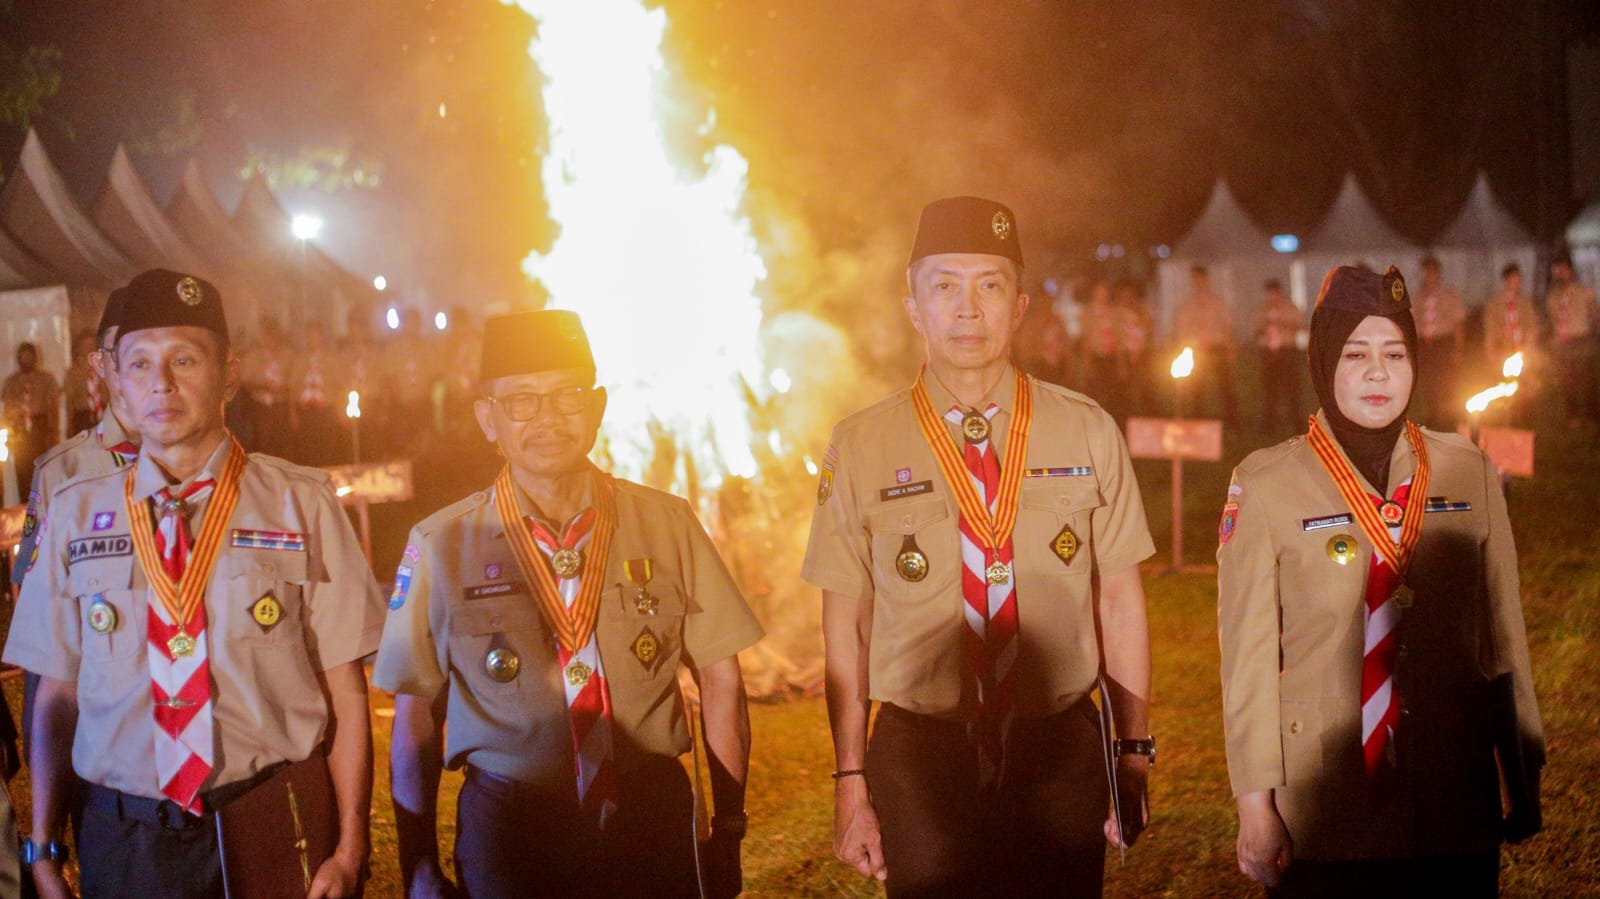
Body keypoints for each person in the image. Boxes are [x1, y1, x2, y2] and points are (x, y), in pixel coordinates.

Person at [804, 197, 1155, 897]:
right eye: (945, 286)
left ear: (1019, 305)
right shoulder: (862, 444)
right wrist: (851, 779)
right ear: (913, 307)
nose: (968, 309)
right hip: (920, 752)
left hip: (1057, 745)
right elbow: (846, 624)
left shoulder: (1086, 430)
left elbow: (1119, 600)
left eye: (989, 285)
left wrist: (1133, 753)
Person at [4, 268, 384, 898]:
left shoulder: (300, 503)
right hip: (126, 840)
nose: (162, 383)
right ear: (115, 381)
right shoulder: (74, 512)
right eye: (140, 363)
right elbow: (55, 698)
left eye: (184, 359)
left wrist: (349, 848)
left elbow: (344, 691)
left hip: (270, 818)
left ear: (228, 375)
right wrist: (43, 845)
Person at [374, 309, 763, 898]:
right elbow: (415, 715)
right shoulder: (441, 544)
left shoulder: (667, 523)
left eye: (568, 396)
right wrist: (418, 862)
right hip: (513, 828)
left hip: (651, 815)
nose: (548, 418)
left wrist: (729, 827)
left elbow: (722, 680)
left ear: (599, 407)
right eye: (521, 401)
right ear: (487, 419)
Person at [1217, 265, 1543, 896]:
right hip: (1326, 805)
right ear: (1322, 360)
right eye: (1355, 353)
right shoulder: (1266, 484)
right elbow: (1247, 661)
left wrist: (1522, 771)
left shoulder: (1468, 469)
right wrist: (1256, 806)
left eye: (1394, 354)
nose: (1377, 373)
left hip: (1453, 797)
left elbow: (1504, 638)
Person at [1174, 265, 1240, 427]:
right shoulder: (1187, 305)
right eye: (1195, 280)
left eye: (1201, 279)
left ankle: (1232, 421)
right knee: (1197, 388)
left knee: (1224, 386)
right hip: (1197, 351)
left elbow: (1227, 326)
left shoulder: (1217, 302)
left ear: (1206, 280)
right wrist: (1182, 350)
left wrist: (1230, 347)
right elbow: (1182, 329)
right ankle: (1199, 421)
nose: (1199, 283)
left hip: (1216, 348)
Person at [1481, 264, 1541, 426]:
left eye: (1519, 280)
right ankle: (1504, 420)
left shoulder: (1525, 303)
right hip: (1503, 349)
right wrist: (1491, 351)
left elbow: (1532, 326)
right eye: (1513, 280)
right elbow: (1490, 329)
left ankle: (1525, 420)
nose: (1517, 283)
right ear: (1506, 281)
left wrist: (1528, 346)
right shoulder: (1494, 304)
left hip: (1522, 349)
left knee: (1525, 386)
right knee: (1504, 385)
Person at [1544, 253, 1597, 428]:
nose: (1560, 274)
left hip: (1581, 340)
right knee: (1567, 381)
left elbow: (1595, 315)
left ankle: (1591, 414)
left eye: (1563, 270)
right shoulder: (1552, 297)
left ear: (1571, 271)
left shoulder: (1585, 292)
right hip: (1562, 343)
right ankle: (1572, 415)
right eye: (1557, 272)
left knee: (1586, 379)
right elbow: (1551, 320)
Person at [1412, 257, 1466, 427]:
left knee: (1446, 379)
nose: (1429, 276)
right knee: (1428, 380)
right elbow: (1412, 322)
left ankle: (1450, 414)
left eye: (1432, 272)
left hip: (1443, 341)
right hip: (1424, 342)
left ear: (1438, 274)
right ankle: (1432, 415)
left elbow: (1458, 322)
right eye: (1426, 273)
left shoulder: (1449, 295)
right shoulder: (1417, 297)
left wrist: (1458, 347)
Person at [2, 341, 63, 493]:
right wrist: (8, 435)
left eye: (29, 356)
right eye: (23, 357)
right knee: (22, 471)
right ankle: (26, 504)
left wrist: (53, 433)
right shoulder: (11, 381)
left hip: (40, 429)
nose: (26, 360)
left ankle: (44, 504)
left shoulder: (46, 379)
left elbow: (52, 408)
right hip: (20, 431)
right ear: (18, 359)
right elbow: (8, 410)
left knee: (42, 470)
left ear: (35, 358)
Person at [289, 320, 347, 465]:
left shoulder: (332, 359)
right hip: (306, 410)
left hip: (326, 410)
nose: (312, 338)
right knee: (307, 449)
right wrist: (293, 413)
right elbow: (293, 388)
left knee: (326, 448)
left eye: (315, 335)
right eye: (309, 335)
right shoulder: (300, 359)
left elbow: (339, 387)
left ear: (322, 336)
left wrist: (341, 411)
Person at [1254, 279, 1306, 435]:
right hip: (1269, 352)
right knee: (1269, 389)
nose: (1273, 297)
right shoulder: (1262, 310)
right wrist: (1266, 325)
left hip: (1286, 350)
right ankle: (1269, 423)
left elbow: (1300, 325)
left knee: (1292, 389)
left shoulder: (1290, 308)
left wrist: (1284, 324)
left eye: (1275, 293)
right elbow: (1256, 329)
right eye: (1270, 294)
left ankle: (1296, 422)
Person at [62, 329, 100, 436]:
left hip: (103, 415)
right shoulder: (73, 373)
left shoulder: (103, 368)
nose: (89, 348)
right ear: (79, 348)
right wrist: (70, 427)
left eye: (92, 344)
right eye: (86, 345)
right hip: (83, 418)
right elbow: (70, 402)